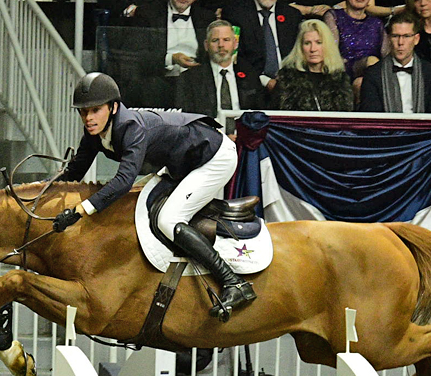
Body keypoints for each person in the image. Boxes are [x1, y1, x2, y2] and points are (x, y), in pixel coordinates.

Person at [52, 73, 256, 322]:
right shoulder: (94, 133)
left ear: (114, 107)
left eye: (95, 110)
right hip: (181, 162)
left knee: (168, 220)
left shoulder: (131, 128)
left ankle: (233, 283)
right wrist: (39, 191)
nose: (88, 118)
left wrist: (80, 210)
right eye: (83, 112)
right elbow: (74, 172)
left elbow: (123, 181)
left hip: (214, 157)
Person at [178, 19, 262, 132]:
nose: (221, 45)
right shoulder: (189, 79)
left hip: (245, 140)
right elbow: (186, 120)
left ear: (235, 43)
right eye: (215, 40)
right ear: (206, 46)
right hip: (207, 140)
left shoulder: (250, 75)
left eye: (226, 40)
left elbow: (260, 115)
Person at [358, 10, 431, 112]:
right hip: (386, 128)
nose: (400, 42)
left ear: (416, 39)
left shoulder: (430, 72)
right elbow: (372, 117)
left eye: (406, 36)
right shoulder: (373, 74)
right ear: (389, 38)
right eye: (395, 36)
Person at [223, 0, 302, 93]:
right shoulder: (235, 14)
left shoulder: (292, 14)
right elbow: (235, 56)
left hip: (289, 83)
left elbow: (298, 53)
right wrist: (265, 80)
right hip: (252, 83)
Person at [274, 18, 353, 110]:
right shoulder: (287, 78)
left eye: (318, 43)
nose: (313, 49)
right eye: (307, 43)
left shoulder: (340, 79)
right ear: (300, 47)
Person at [323, 0, 384, 80]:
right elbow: (332, 53)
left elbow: (387, 54)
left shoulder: (376, 23)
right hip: (343, 71)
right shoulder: (334, 16)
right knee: (371, 62)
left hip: (370, 74)